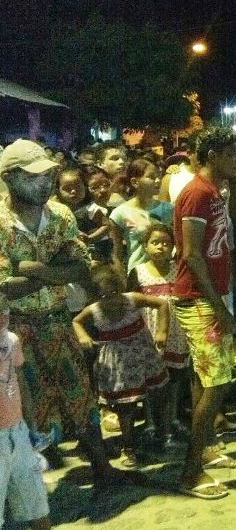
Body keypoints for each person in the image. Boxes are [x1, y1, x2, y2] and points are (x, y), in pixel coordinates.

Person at [0, 139, 136, 487]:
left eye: (47, 176)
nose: (44, 183)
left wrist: (32, 269)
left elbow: (81, 266)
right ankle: (25, 486)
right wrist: (55, 271)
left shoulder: (60, 214)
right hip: (14, 329)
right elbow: (5, 288)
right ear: (9, 178)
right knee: (23, 407)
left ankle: (102, 468)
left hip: (59, 319)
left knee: (80, 394)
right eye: (33, 177)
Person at [172, 127, 236, 499]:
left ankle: (206, 448)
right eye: (232, 154)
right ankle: (190, 473)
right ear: (212, 155)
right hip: (200, 299)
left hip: (211, 295)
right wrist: (219, 308)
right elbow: (192, 255)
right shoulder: (197, 193)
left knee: (206, 378)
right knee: (218, 382)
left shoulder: (217, 191)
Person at [72, 265, 169, 468]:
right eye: (104, 296)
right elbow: (76, 321)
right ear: (95, 296)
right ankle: (129, 446)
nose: (111, 299)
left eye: (114, 292)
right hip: (118, 365)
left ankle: (161, 434)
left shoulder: (132, 299)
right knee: (126, 406)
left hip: (143, 356)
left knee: (157, 395)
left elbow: (161, 304)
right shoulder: (94, 310)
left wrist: (161, 331)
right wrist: (83, 336)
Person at [128, 223, 191, 448]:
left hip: (177, 332)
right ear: (145, 246)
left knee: (174, 377)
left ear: (173, 246)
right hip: (149, 332)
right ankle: (150, 422)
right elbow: (131, 304)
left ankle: (172, 418)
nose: (160, 247)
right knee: (150, 379)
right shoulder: (138, 272)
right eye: (155, 242)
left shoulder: (179, 270)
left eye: (166, 243)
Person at [0, 302, 52, 530]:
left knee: (36, 504)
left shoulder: (11, 341)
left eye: (4, 312)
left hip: (18, 432)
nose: (2, 318)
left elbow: (21, 383)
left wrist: (30, 427)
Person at [110, 158, 173, 273]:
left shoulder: (168, 209)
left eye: (159, 176)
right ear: (135, 182)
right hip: (138, 275)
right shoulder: (120, 213)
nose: (158, 181)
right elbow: (117, 254)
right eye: (151, 177)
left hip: (167, 273)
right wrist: (122, 278)